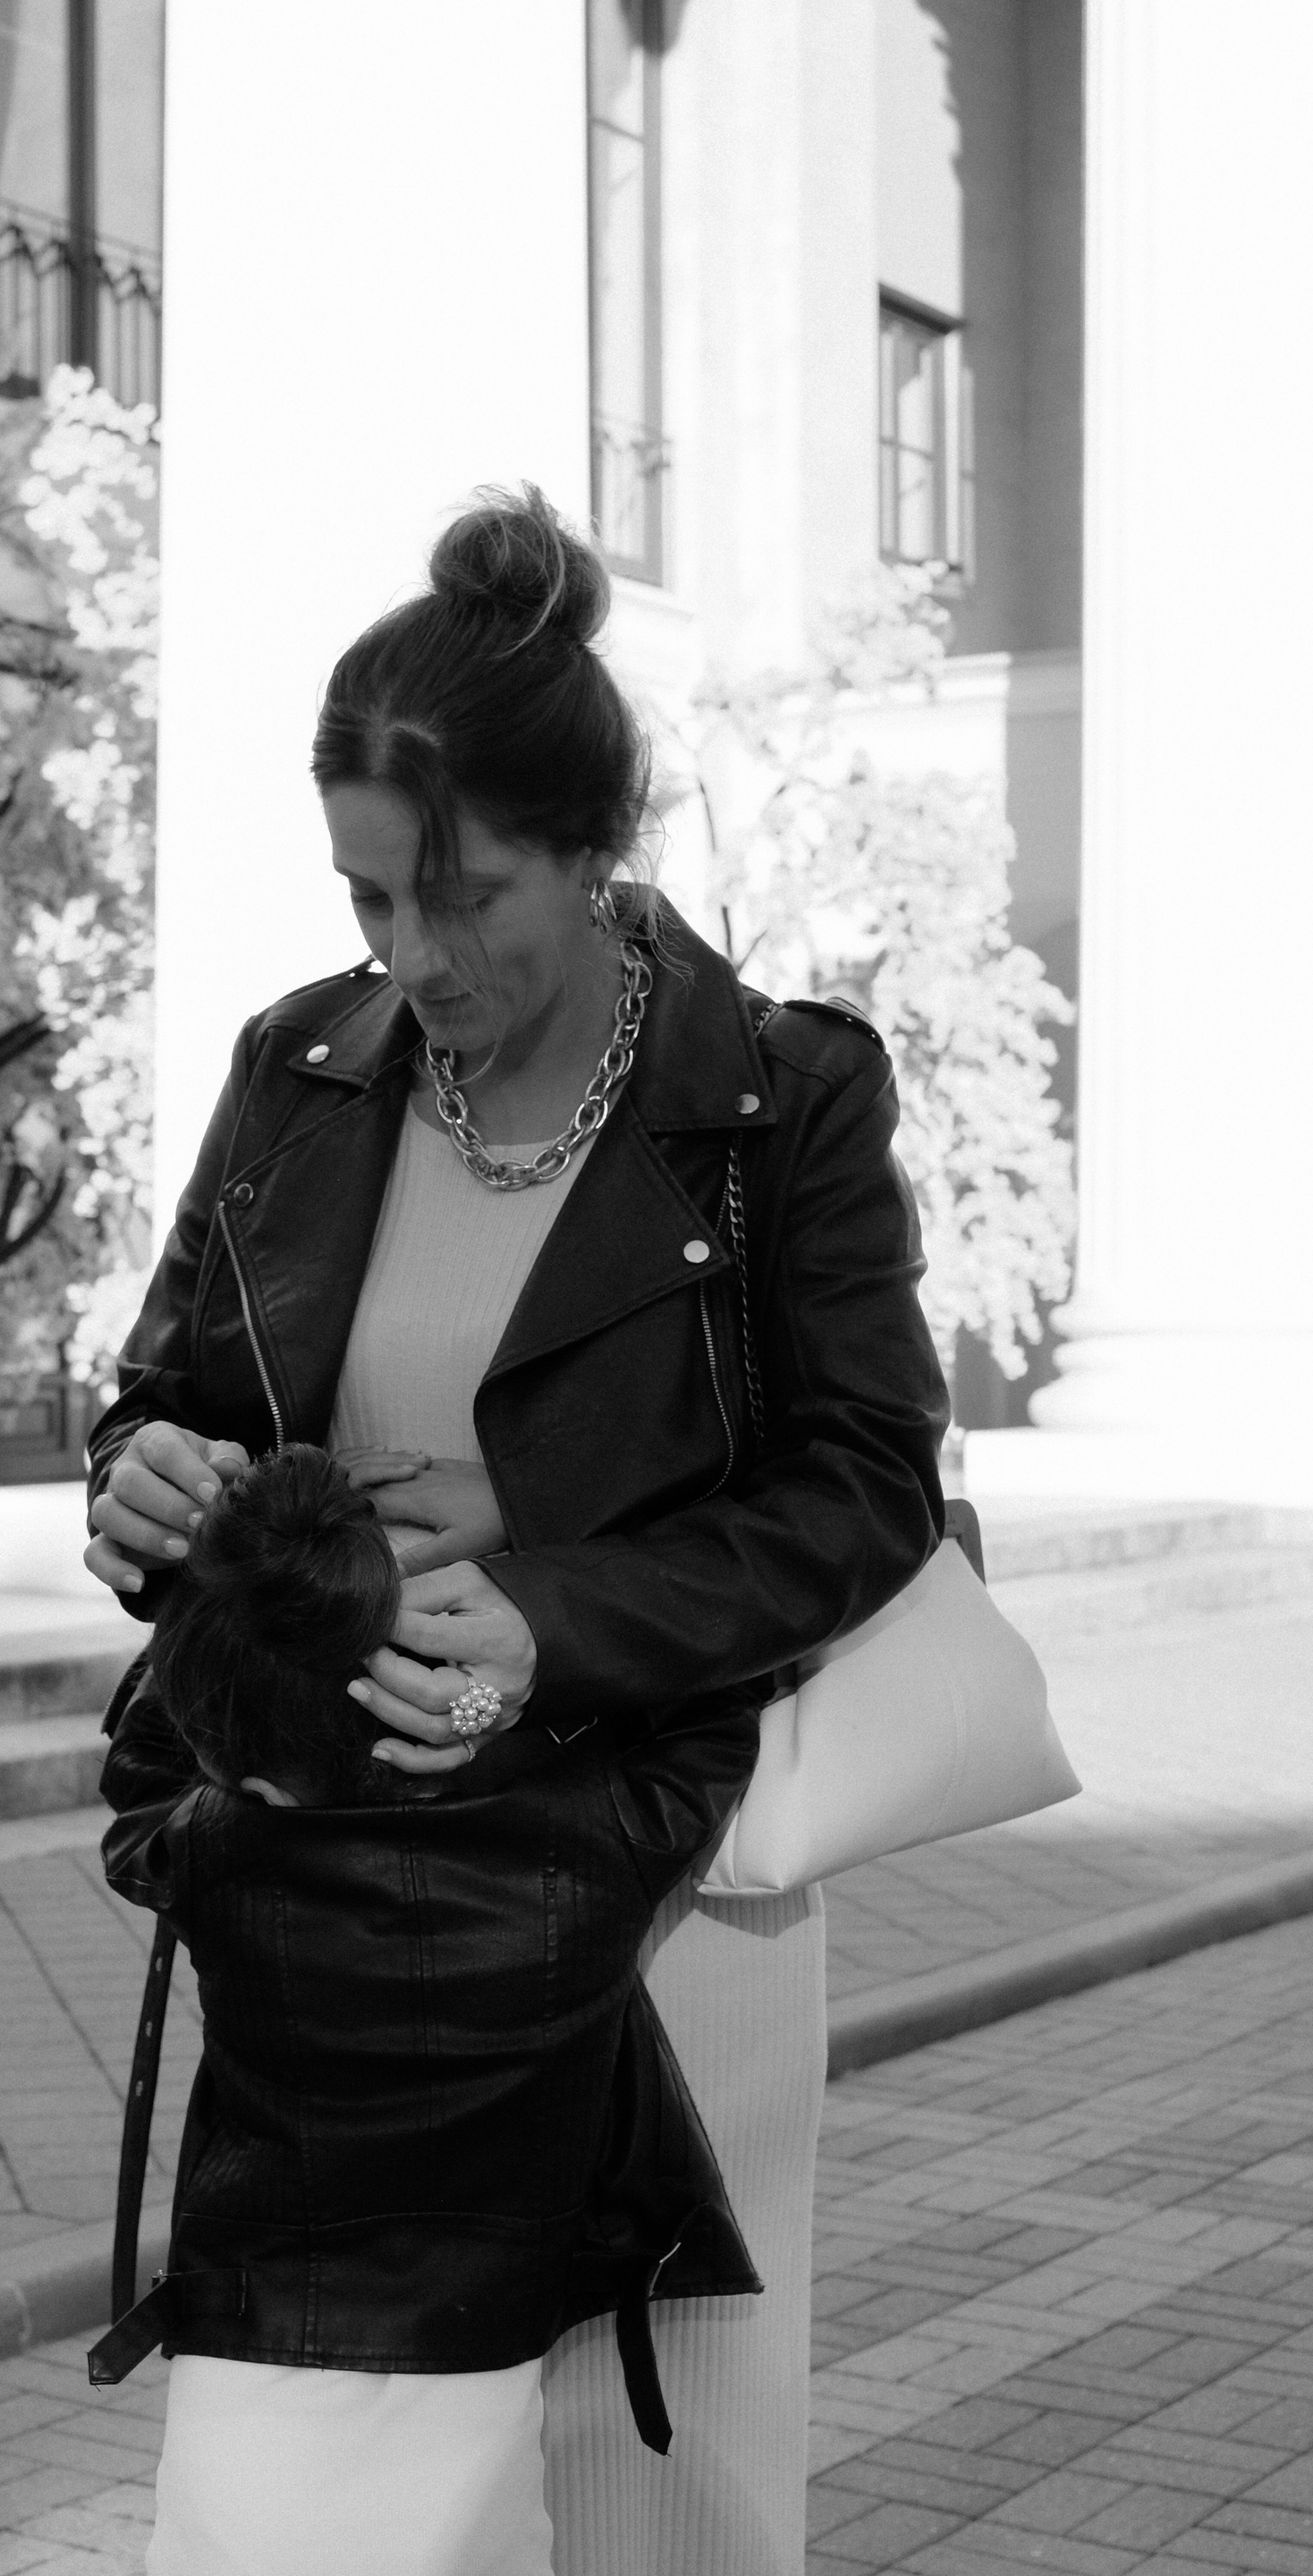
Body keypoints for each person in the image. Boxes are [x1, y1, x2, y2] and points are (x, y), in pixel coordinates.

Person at [85, 485, 947, 2574]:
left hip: (665, 1882)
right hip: (341, 1904)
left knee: (664, 2499)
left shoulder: (778, 1107)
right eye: (370, 897)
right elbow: (173, 1393)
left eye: (464, 897)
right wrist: (149, 1482)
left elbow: (867, 1483)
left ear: (594, 847)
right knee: (322, 2497)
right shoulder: (298, 1071)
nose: (413, 956)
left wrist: (551, 1619)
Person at [96, 1441, 762, 2576]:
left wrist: (246, 1576)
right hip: (479, 2348)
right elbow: (713, 1700)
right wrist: (514, 1661)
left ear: (240, 1765)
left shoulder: (210, 1849)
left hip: (254, 2340)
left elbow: (147, 1756)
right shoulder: (594, 1847)